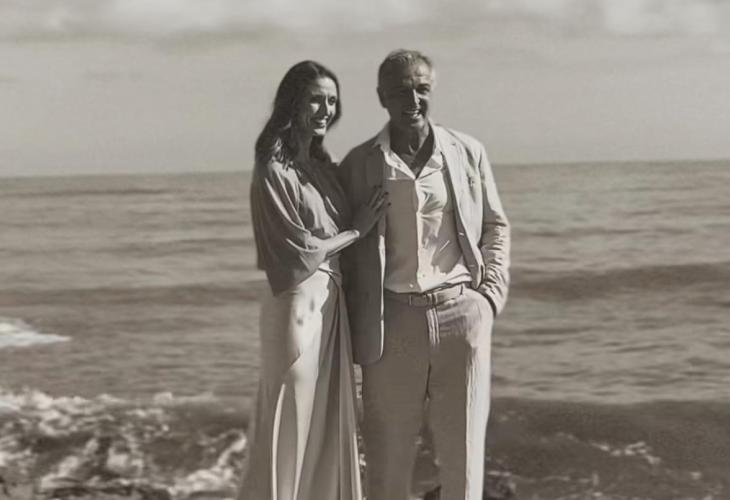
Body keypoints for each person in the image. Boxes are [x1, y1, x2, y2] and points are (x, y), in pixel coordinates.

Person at [338, 49, 510, 500]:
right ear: (381, 97)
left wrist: (488, 298)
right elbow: (343, 247)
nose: (412, 100)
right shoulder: (359, 163)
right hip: (391, 322)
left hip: (461, 316)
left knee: (463, 461)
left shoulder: (467, 152)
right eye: (400, 91)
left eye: (422, 89)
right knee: (387, 463)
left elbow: (495, 225)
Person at [238, 60, 386, 500]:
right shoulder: (273, 169)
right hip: (296, 303)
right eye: (316, 99)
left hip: (330, 305)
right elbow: (298, 251)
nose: (326, 110)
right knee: (289, 420)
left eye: (332, 101)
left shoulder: (323, 167)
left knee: (329, 421)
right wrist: (356, 231)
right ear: (293, 103)